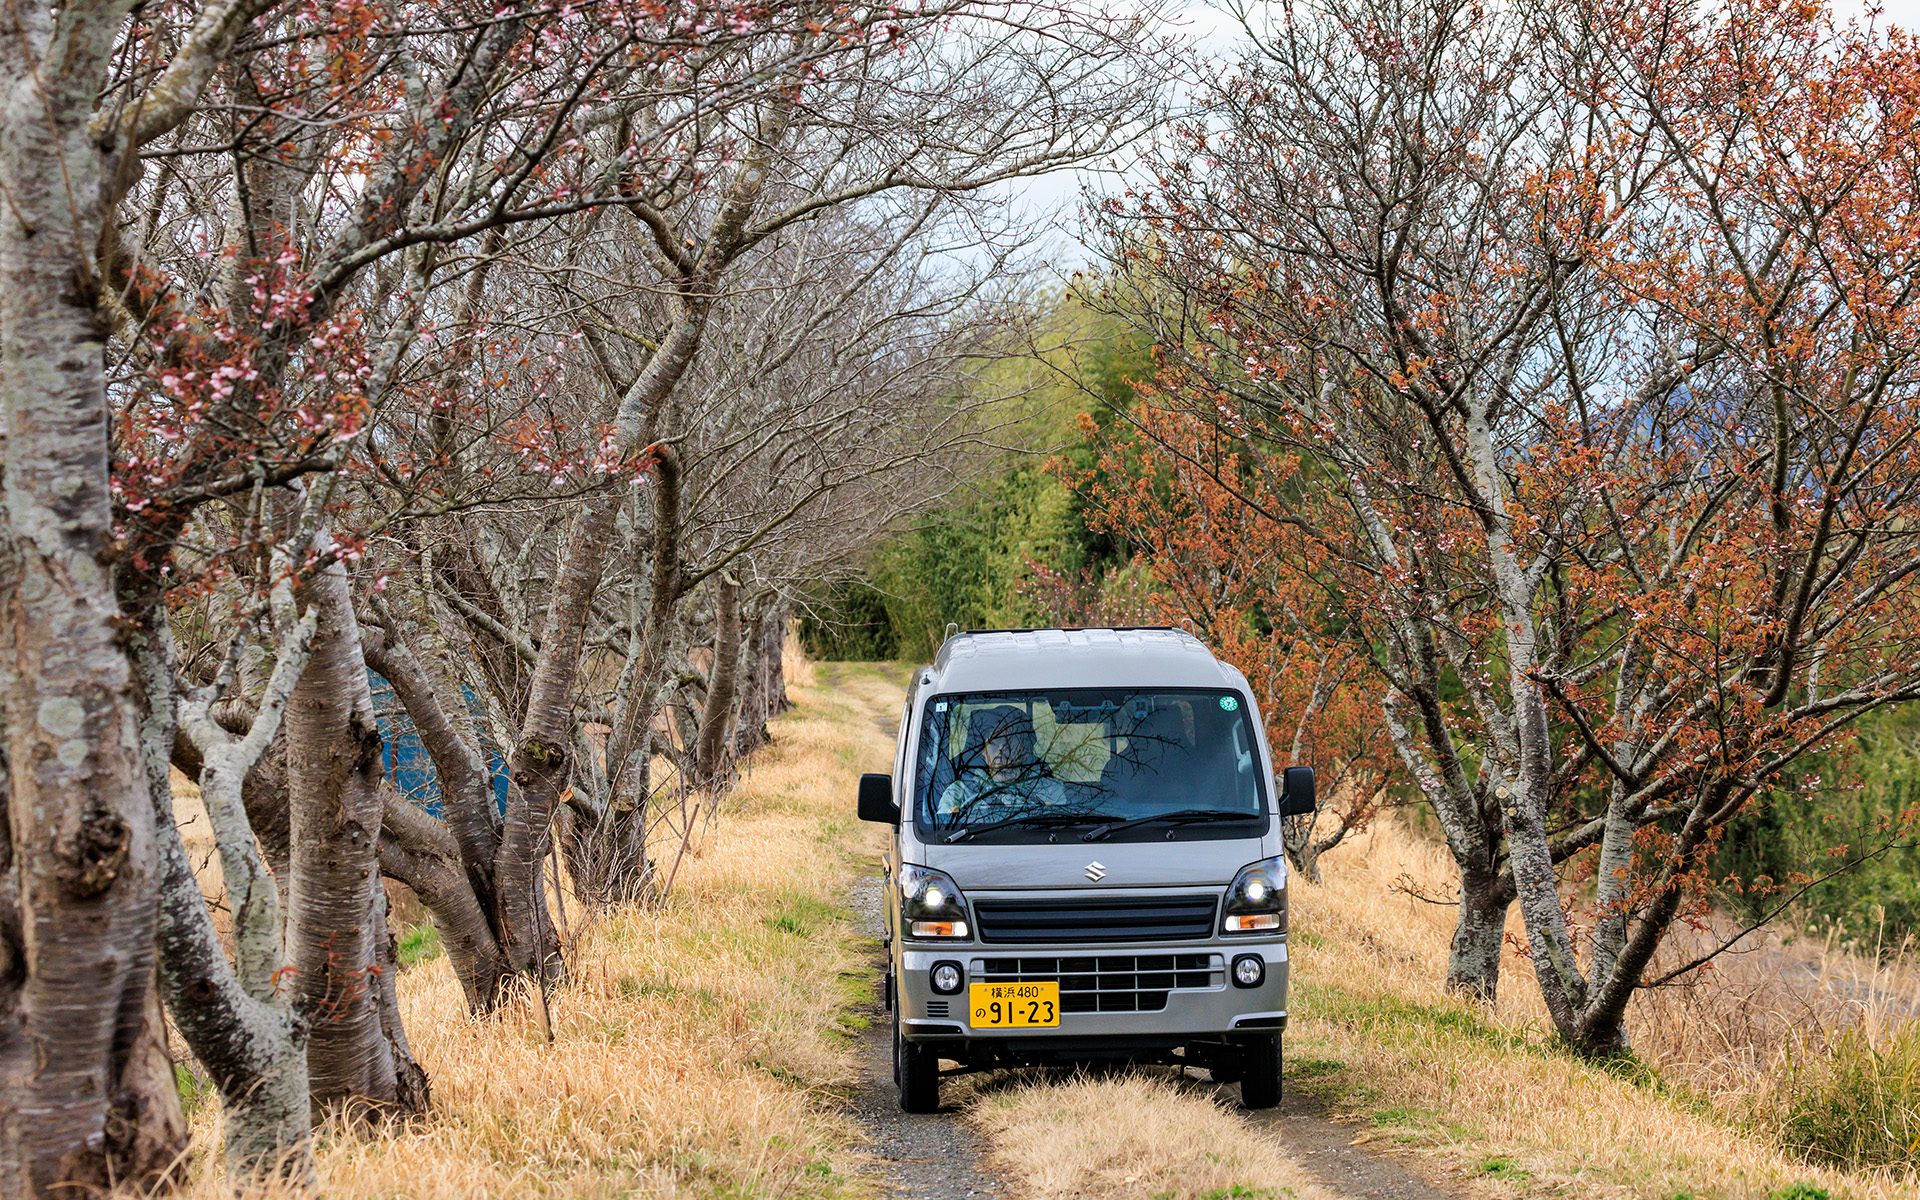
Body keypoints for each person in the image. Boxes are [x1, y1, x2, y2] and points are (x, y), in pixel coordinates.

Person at [937, 705, 1066, 820]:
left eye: (1010, 739)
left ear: (1024, 748)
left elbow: (1061, 827)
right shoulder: (959, 792)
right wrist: (951, 818)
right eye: (994, 741)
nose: (1002, 748)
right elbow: (943, 828)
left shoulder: (1049, 789)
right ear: (983, 751)